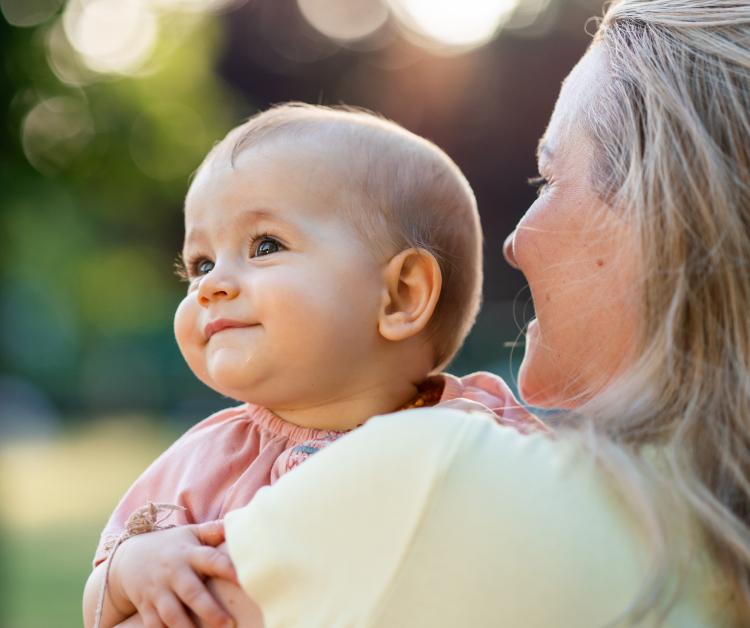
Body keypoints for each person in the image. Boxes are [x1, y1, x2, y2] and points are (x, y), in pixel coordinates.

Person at [189, 1, 750, 626]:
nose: (512, 240)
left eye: (548, 179)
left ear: (667, 215)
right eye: (199, 265)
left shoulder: (432, 476)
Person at [81, 104, 544, 628]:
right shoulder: (201, 465)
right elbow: (100, 600)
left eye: (264, 245)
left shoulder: (480, 431)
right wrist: (133, 568)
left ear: (400, 296)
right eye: (201, 264)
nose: (210, 285)